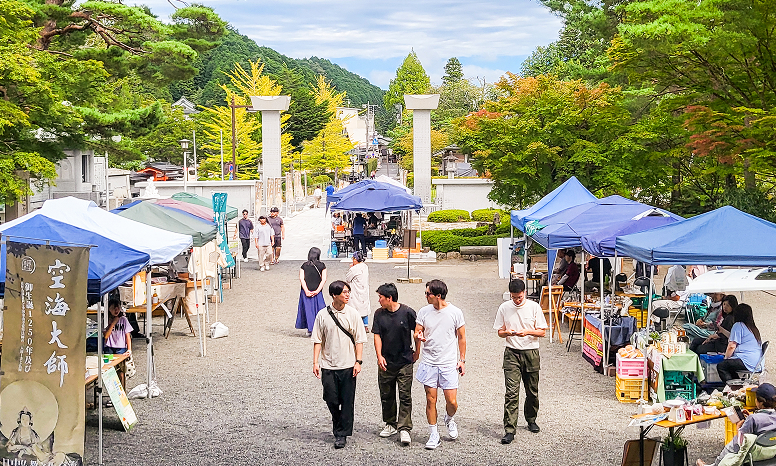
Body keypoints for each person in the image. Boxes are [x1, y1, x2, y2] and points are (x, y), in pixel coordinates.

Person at [312, 280, 367, 449]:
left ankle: (341, 433)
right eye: (344, 292)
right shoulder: (322, 315)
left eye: (348, 292)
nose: (347, 295)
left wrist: (358, 361)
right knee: (331, 399)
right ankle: (338, 425)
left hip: (348, 364)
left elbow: (359, 340)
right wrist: (315, 362)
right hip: (328, 364)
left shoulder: (353, 314)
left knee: (347, 400)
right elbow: (317, 340)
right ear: (334, 295)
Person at [415, 279, 466, 450]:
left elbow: (462, 337)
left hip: (448, 363)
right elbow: (417, 330)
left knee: (452, 401)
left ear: (438, 295)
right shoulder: (423, 311)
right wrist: (418, 336)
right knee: (431, 399)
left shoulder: (455, 312)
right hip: (429, 361)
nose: (426, 296)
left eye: (428, 293)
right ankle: (433, 433)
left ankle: (449, 419)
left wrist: (462, 360)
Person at [494, 279, 548, 444]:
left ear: (524, 292)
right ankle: (509, 429)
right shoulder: (504, 308)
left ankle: (531, 419)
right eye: (514, 297)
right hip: (511, 353)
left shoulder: (534, 307)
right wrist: (507, 332)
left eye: (519, 297)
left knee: (532, 390)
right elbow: (499, 332)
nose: (517, 300)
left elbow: (542, 332)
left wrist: (528, 332)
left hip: (531, 352)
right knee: (511, 392)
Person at [372, 283, 417, 446]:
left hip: (404, 360)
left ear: (389, 298)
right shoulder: (379, 314)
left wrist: (417, 352)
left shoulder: (407, 312)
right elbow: (376, 335)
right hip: (386, 360)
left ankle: (404, 427)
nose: (379, 301)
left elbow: (418, 332)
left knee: (405, 395)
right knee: (386, 393)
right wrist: (379, 356)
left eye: (381, 298)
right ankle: (390, 423)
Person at [696, 383, 776, 466]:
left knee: (731, 445)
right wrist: (750, 418)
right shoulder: (754, 418)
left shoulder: (753, 419)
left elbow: (741, 442)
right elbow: (765, 423)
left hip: (750, 454)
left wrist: (738, 427)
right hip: (769, 453)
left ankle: (715, 465)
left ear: (759, 402)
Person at [717, 303, 763, 383]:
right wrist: (722, 330)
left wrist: (726, 358)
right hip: (757, 362)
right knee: (729, 366)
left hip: (746, 360)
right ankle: (738, 385)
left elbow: (731, 346)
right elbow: (734, 336)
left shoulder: (738, 325)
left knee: (722, 366)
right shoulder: (753, 328)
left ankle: (732, 387)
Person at [296, 247, 327, 336]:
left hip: (306, 291)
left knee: (308, 310)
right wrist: (317, 290)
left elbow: (302, 279)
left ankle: (310, 329)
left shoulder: (304, 265)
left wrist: (306, 290)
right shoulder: (322, 265)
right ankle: (321, 329)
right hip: (317, 291)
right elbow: (323, 279)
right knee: (320, 309)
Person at [345, 251, 371, 333]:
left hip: (356, 290)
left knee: (355, 307)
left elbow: (348, 279)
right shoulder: (365, 267)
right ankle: (365, 325)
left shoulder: (354, 269)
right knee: (364, 306)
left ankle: (354, 325)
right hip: (364, 289)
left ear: (355, 259)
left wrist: (350, 268)